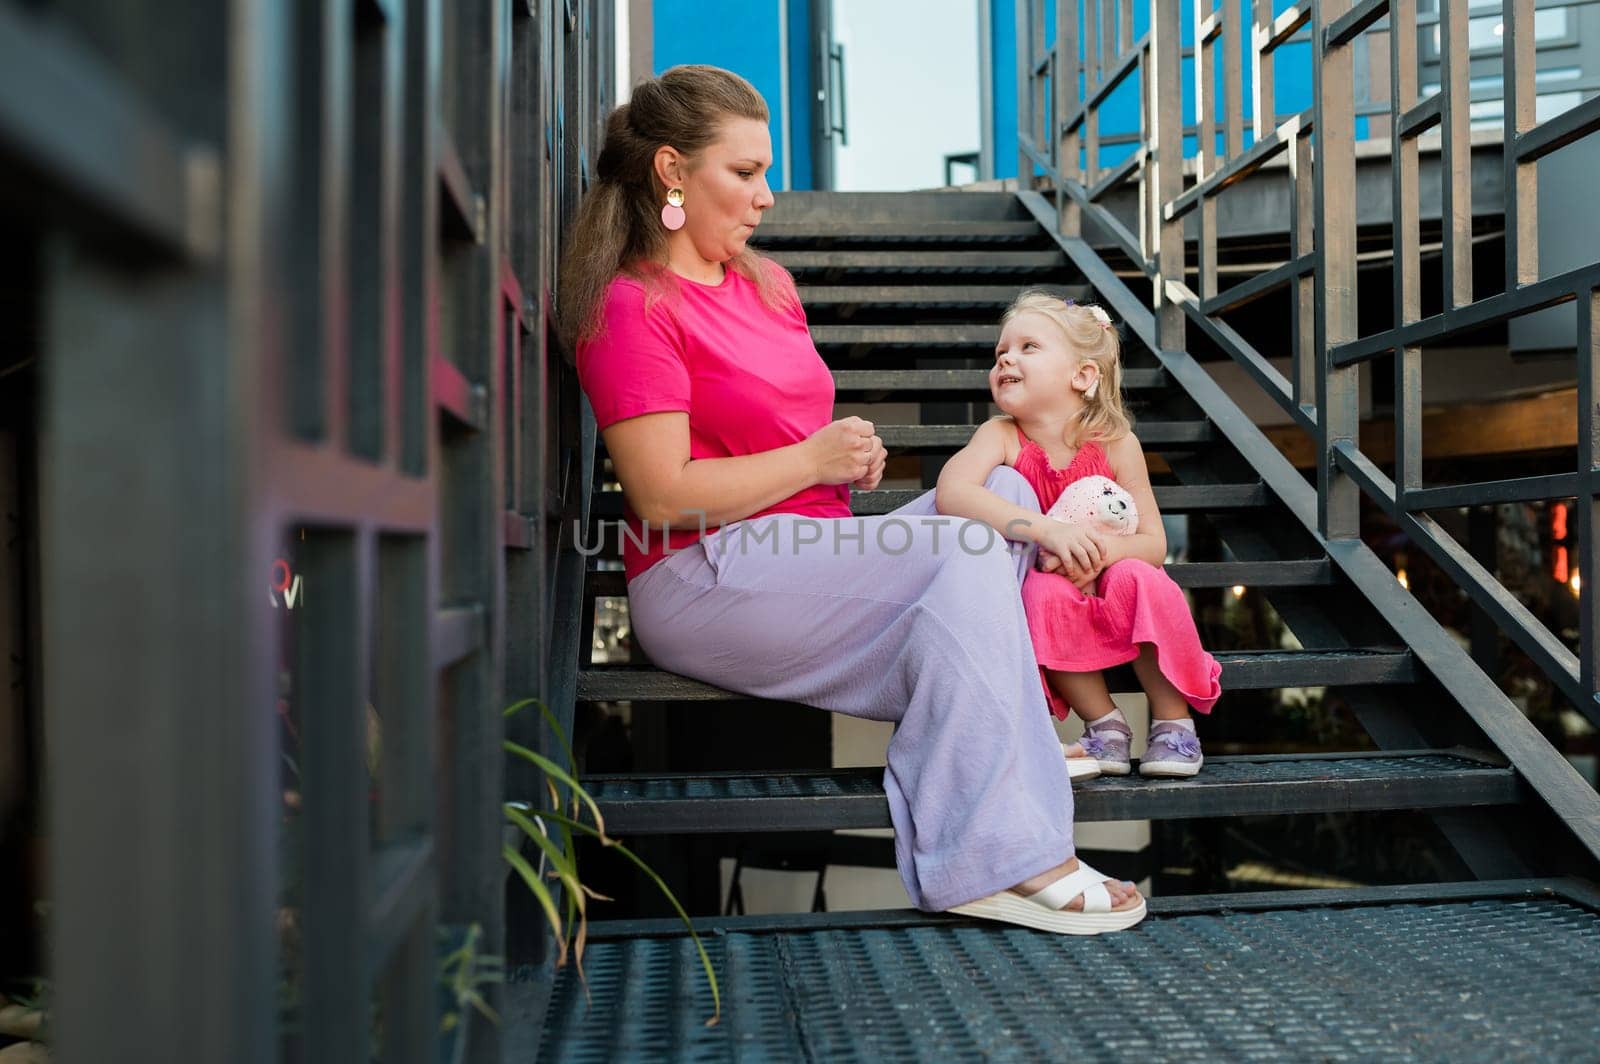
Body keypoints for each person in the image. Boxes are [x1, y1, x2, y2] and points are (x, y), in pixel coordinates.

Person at [559, 64, 1145, 934]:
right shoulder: (632, 306)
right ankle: (1000, 855)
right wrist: (809, 459)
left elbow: (794, 445)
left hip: (805, 555)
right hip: (703, 574)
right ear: (673, 171)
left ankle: (998, 740)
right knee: (970, 543)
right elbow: (660, 492)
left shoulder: (769, 286)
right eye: (745, 171)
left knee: (1006, 486)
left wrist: (845, 463)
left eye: (768, 170)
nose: (767, 195)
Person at [935, 292, 1223, 779]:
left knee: (1142, 577)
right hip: (1057, 583)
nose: (1006, 357)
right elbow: (951, 491)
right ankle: (1105, 727)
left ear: (1083, 376)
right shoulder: (1001, 435)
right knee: (1038, 591)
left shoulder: (1116, 442)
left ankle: (1174, 722)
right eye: (1000, 351)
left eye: (1029, 347)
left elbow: (1153, 542)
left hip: (1116, 583)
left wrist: (1104, 551)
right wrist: (1046, 529)